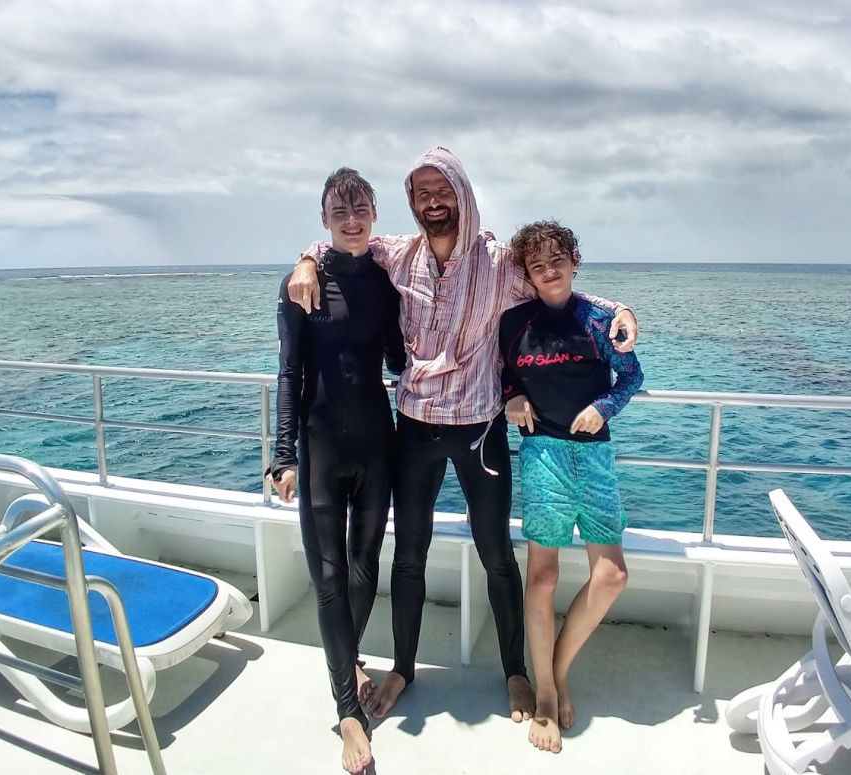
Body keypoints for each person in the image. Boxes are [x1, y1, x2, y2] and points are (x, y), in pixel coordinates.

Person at [287, 147, 639, 722]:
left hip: (480, 430)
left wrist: (617, 307)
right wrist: (305, 259)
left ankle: (516, 672)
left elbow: (559, 294)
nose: (432, 201)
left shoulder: (500, 263)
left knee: (498, 555)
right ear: (409, 203)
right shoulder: (398, 255)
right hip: (416, 429)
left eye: (442, 189)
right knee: (409, 557)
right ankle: (402, 668)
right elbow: (340, 246)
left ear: (463, 194)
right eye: (421, 192)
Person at [266, 167, 405, 775]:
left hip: (378, 441)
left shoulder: (387, 277)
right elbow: (289, 372)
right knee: (327, 577)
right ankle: (349, 712)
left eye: (361, 210)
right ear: (324, 219)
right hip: (321, 445)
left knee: (365, 567)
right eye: (340, 212)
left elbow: (400, 356)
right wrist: (283, 453)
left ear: (374, 214)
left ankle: (346, 659)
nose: (352, 220)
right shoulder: (302, 283)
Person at [499, 220, 643, 753]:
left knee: (611, 576)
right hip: (542, 456)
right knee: (543, 578)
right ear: (528, 274)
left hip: (595, 455)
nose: (549, 270)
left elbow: (631, 377)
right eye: (538, 265)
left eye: (558, 260)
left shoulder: (601, 319)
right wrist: (511, 396)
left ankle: (556, 669)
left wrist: (600, 407)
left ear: (573, 261)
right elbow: (501, 375)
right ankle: (543, 694)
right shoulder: (514, 321)